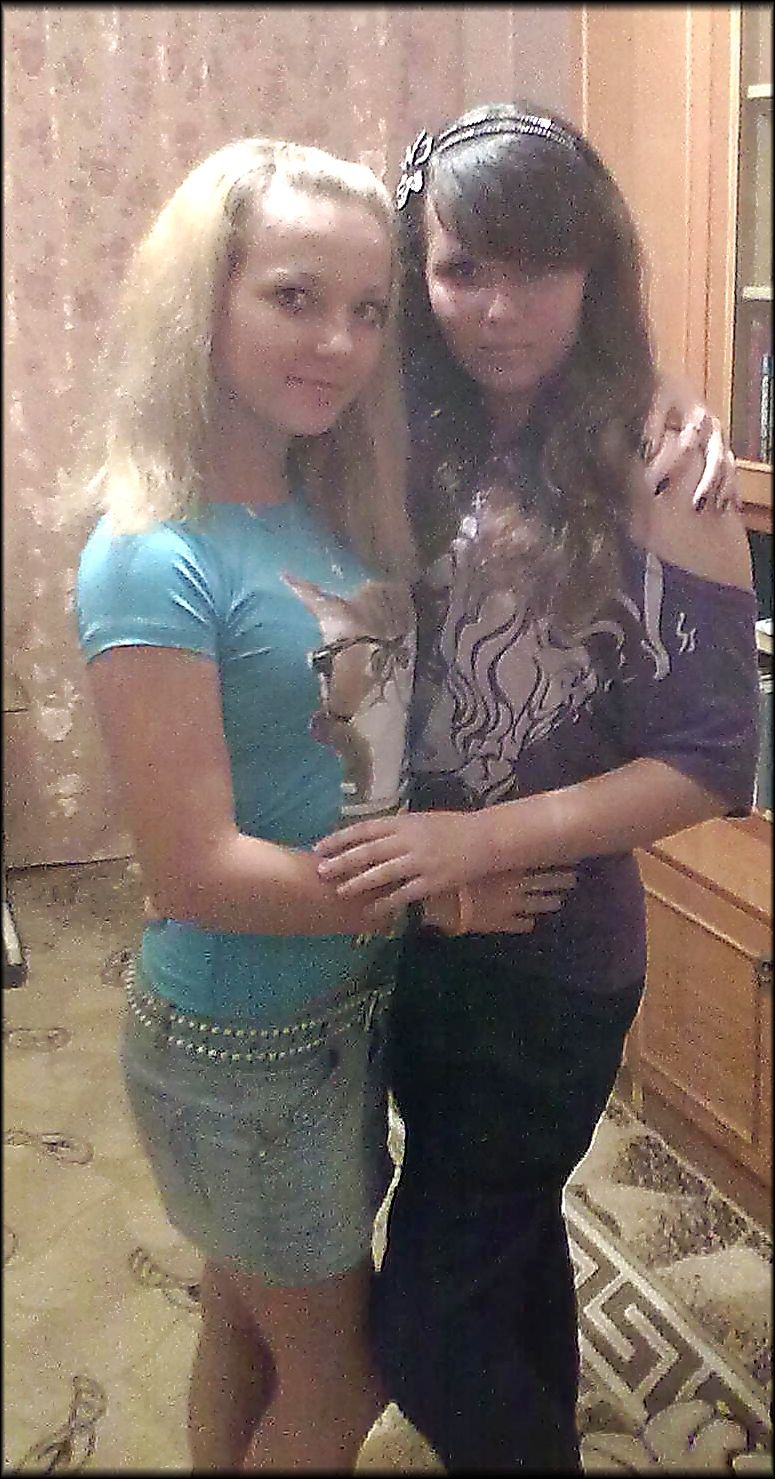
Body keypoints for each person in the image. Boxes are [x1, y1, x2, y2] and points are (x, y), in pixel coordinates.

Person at [314, 104, 761, 1473]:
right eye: (463, 269)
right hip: (411, 930)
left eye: (540, 267)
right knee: (496, 1244)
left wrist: (474, 841)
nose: (499, 310)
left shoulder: (660, 464)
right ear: (420, 269)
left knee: (423, 1325)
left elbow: (712, 757)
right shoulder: (407, 424)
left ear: (594, 269)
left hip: (553, 960)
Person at [73, 135, 426, 1474]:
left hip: (335, 1005)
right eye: (293, 297)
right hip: (242, 1038)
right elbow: (196, 871)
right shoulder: (150, 552)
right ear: (202, 301)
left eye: (367, 309)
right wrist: (437, 889)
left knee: (246, 1316)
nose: (338, 343)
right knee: (340, 1382)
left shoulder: (322, 503)